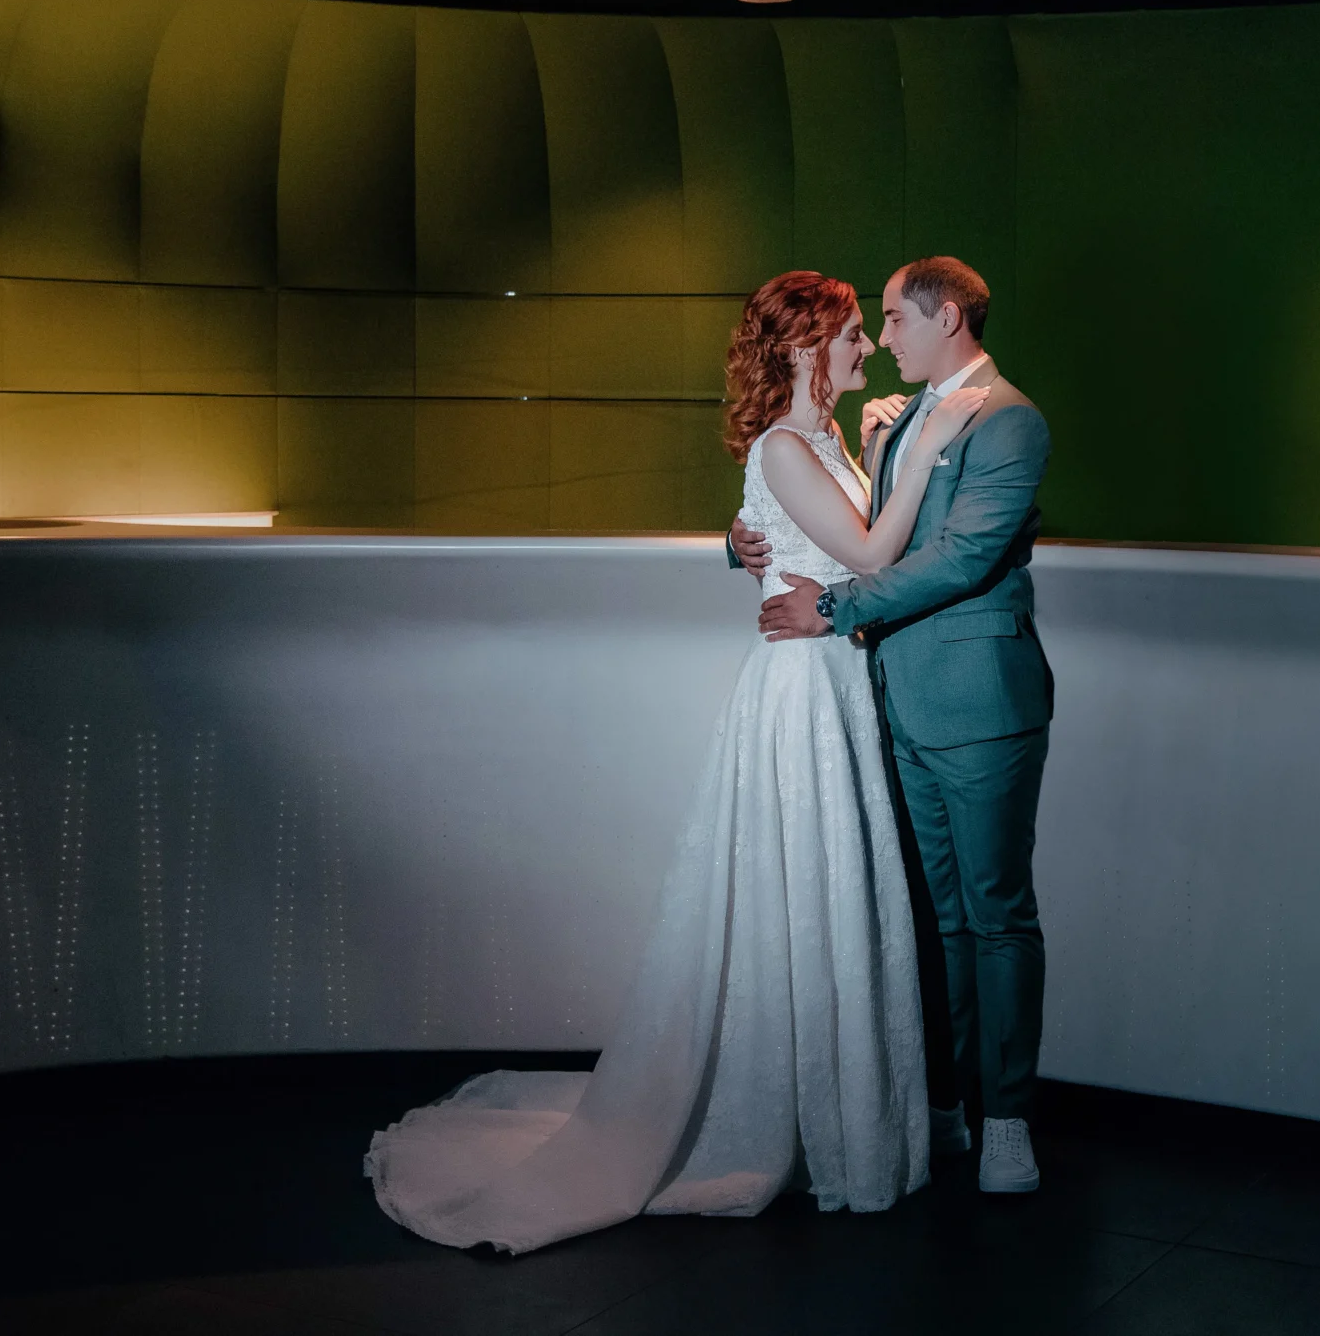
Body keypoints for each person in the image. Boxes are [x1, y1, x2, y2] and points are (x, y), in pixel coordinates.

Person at [364, 270, 987, 1255]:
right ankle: (795, 1118)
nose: (866, 346)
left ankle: (835, 1109)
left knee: (835, 893)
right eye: (849, 332)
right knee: (802, 890)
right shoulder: (784, 446)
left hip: (834, 680)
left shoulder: (825, 437)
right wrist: (926, 446)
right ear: (804, 347)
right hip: (800, 692)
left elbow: (810, 540)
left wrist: (864, 458)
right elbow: (869, 555)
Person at [738, 256, 1056, 1197]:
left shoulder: (1009, 420)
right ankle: (946, 1104)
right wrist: (744, 538)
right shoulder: (891, 418)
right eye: (865, 325)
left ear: (945, 316)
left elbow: (958, 559)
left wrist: (831, 609)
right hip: (885, 700)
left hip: (978, 701)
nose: (880, 340)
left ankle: (1008, 1123)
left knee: (996, 916)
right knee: (931, 918)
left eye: (891, 319)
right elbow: (822, 510)